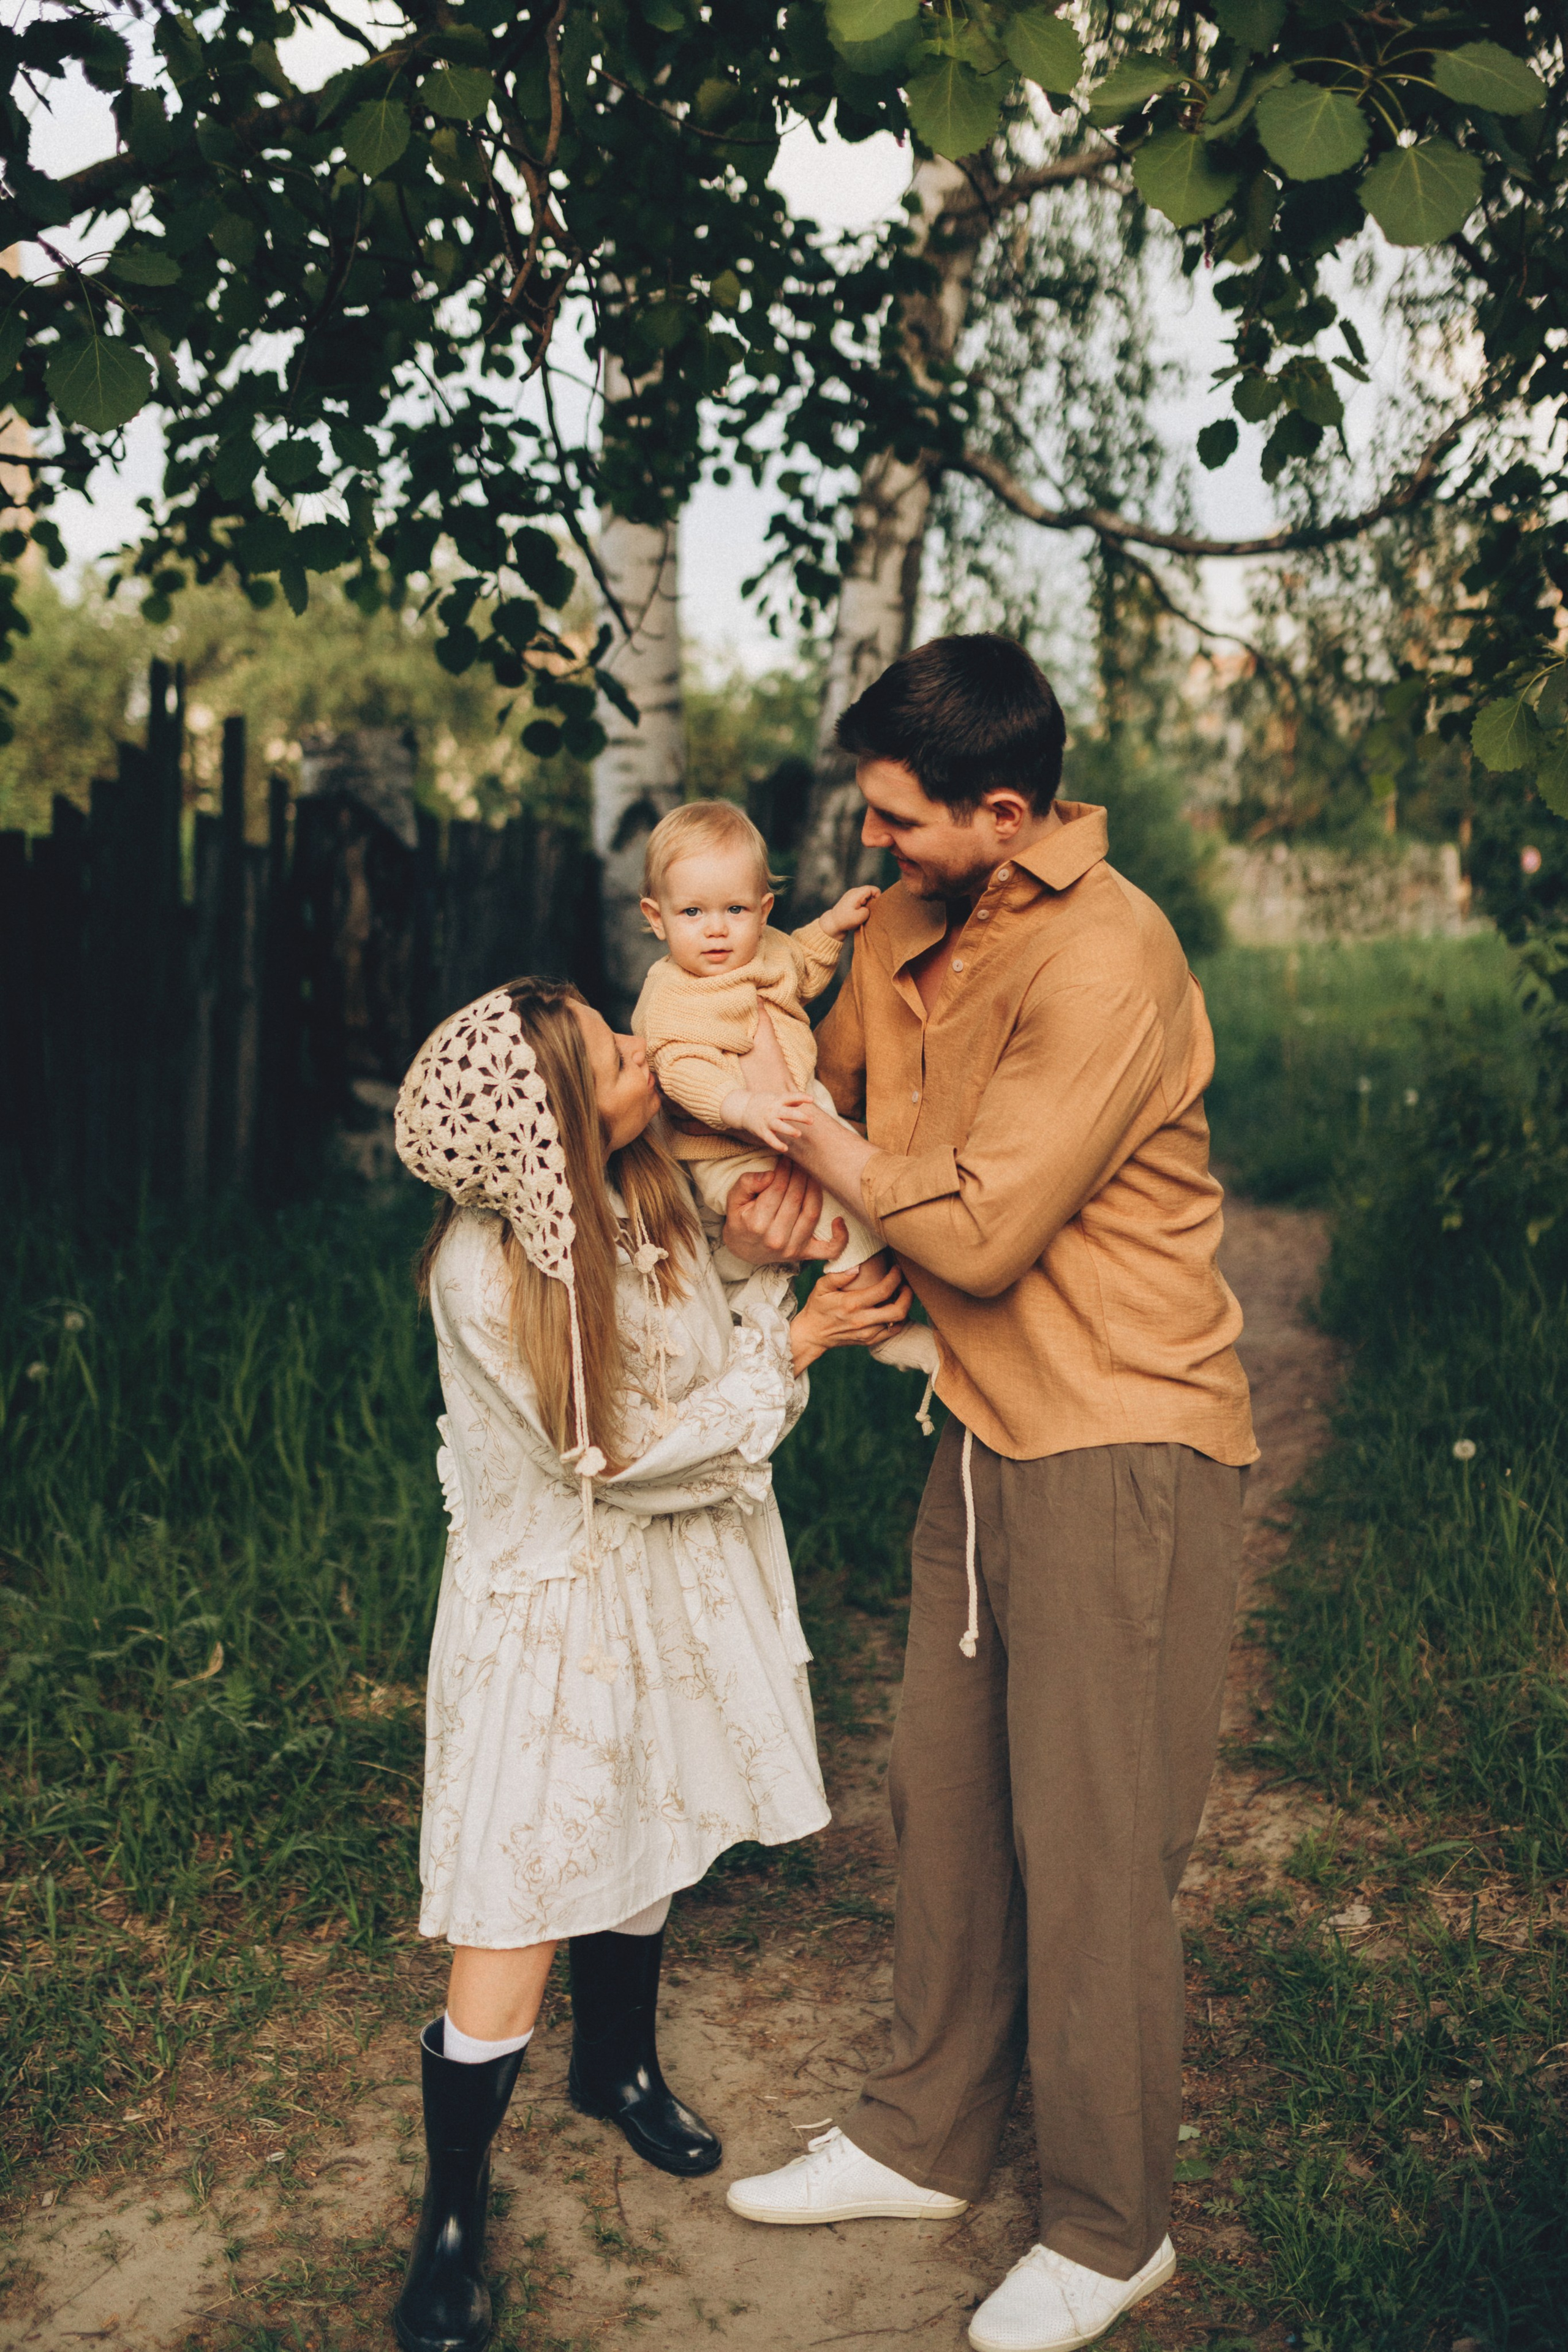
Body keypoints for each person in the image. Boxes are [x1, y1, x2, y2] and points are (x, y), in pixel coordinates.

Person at [724, 636, 1258, 2352]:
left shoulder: (1112, 957)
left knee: (1094, 1845)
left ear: (1005, 812)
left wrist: (825, 1150)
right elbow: (835, 1098)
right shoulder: (905, 920)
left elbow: (974, 1227)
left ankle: (1115, 2231)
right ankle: (921, 2137)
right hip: (981, 1416)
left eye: (898, 822)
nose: (873, 849)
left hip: (1120, 1426)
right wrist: (786, 1180)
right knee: (945, 1802)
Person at [389, 975, 911, 2352]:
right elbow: (627, 1458)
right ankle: (451, 2211)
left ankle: (614, 2064)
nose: (647, 1056)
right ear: (554, 1124)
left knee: (651, 1819)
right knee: (516, 1889)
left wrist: (742, 1263)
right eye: (620, 1058)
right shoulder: (484, 1276)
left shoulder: (638, 1193)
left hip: (651, 1597)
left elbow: (678, 1354)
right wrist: (792, 1345)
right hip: (550, 1611)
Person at [633, 797, 940, 1397]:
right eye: (692, 911)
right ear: (657, 917)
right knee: (841, 1219)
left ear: (763, 909)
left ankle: (905, 1282)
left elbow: (798, 965)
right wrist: (742, 1107)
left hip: (802, 1113)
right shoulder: (672, 995)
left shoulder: (764, 947)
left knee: (873, 1193)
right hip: (733, 1152)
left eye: (736, 909)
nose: (716, 928)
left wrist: (832, 926)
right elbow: (681, 1069)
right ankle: (879, 1330)